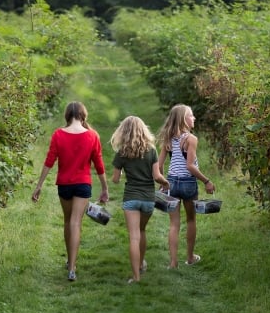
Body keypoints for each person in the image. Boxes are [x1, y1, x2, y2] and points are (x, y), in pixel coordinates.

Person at [31, 101, 109, 281]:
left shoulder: (58, 134)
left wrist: (39, 186)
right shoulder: (92, 136)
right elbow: (99, 164)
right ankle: (72, 267)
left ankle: (69, 261)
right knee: (76, 223)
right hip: (83, 185)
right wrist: (104, 188)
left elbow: (49, 161)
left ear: (67, 115)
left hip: (64, 185)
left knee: (68, 222)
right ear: (83, 115)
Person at [110, 116, 169, 283]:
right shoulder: (151, 150)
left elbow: (115, 179)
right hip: (148, 199)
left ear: (124, 132)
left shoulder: (122, 152)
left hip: (131, 198)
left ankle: (136, 277)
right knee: (142, 231)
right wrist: (165, 182)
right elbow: (157, 176)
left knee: (133, 237)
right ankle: (142, 264)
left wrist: (121, 171)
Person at [157, 104, 215, 269]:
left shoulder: (167, 139)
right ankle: (189, 257)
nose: (194, 118)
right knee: (191, 220)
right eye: (191, 115)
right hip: (188, 183)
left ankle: (173, 262)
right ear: (184, 119)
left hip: (172, 182)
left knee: (174, 224)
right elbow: (190, 166)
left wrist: (162, 182)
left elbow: (160, 165)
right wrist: (207, 181)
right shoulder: (191, 139)